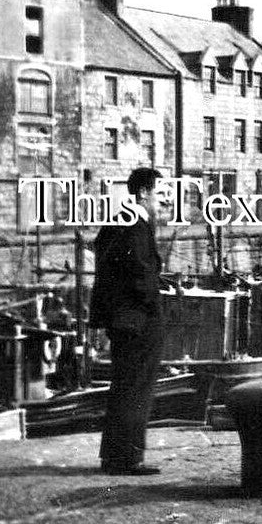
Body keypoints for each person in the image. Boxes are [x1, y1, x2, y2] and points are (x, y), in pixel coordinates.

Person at [90, 167, 165, 475]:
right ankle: (129, 459)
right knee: (137, 390)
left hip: (122, 321)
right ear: (144, 193)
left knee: (122, 387)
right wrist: (155, 306)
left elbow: (107, 266)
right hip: (138, 322)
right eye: (160, 193)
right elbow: (141, 275)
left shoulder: (117, 221)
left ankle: (114, 456)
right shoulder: (136, 225)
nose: (163, 200)